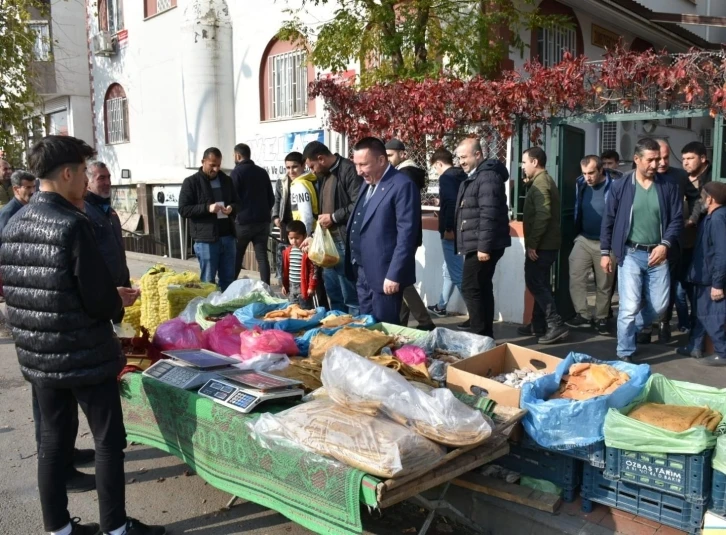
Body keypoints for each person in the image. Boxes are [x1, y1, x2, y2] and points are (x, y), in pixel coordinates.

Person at [0, 135, 163, 535]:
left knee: (52, 442)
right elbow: (97, 302)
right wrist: (115, 300)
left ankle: (58, 529)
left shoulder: (14, 222)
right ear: (69, 173)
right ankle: (115, 528)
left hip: (39, 355)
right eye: (83, 174)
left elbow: (23, 292)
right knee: (109, 441)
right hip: (84, 353)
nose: (86, 184)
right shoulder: (73, 224)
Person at [600, 137, 682, 362]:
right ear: (637, 159)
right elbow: (608, 219)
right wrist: (605, 252)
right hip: (630, 254)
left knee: (660, 305)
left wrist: (665, 245)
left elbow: (676, 219)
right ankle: (625, 351)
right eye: (651, 160)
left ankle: (636, 327)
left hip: (659, 254)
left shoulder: (668, 186)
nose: (656, 165)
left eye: (658, 159)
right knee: (628, 306)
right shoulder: (621, 186)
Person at [345, 137, 420, 324]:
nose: (359, 171)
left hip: (384, 275)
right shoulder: (368, 182)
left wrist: (394, 274)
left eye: (363, 164)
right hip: (362, 270)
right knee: (368, 326)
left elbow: (407, 235)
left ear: (381, 160)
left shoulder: (402, 185)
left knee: (386, 330)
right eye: (356, 164)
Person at [454, 138, 511, 339]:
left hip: (483, 244)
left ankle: (478, 336)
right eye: (459, 157)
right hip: (479, 242)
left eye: (464, 157)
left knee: (471, 288)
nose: (461, 161)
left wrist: (484, 248)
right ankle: (485, 335)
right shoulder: (478, 175)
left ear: (478, 154)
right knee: (481, 287)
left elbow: (489, 214)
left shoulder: (486, 177)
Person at [303, 141, 362, 314]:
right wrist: (314, 235)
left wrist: (334, 217)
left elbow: (358, 204)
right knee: (334, 292)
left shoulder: (348, 170)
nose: (312, 171)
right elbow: (324, 212)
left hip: (344, 241)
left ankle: (355, 332)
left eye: (312, 166)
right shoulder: (324, 175)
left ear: (321, 159)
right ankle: (339, 328)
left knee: (350, 295)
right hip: (328, 242)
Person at [517, 147, 569, 344]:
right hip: (545, 244)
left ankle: (555, 324)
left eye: (524, 162)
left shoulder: (542, 183)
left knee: (535, 283)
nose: (523, 166)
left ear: (535, 162)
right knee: (540, 283)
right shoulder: (538, 182)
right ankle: (538, 324)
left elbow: (544, 214)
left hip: (542, 246)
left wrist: (533, 244)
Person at [384, 139, 434, 331]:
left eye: (391, 155)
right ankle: (402, 323)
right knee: (402, 279)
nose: (388, 160)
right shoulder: (408, 173)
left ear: (403, 154)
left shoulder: (405, 175)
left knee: (401, 281)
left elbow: (404, 213)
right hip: (407, 236)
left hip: (403, 237)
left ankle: (425, 321)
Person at [646, 138, 690, 343]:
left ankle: (663, 324)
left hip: (670, 243)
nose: (662, 163)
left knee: (666, 286)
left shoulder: (679, 176)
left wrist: (691, 218)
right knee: (641, 287)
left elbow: (697, 197)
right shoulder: (641, 176)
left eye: (666, 158)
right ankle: (644, 327)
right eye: (658, 158)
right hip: (643, 242)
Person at [678, 182, 726, 365]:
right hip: (702, 276)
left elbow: (722, 253)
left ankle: (722, 353)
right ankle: (694, 346)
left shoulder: (717, 219)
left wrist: (718, 284)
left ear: (710, 198)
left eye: (702, 196)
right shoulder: (711, 217)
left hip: (710, 279)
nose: (700, 200)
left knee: (711, 315)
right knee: (699, 313)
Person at [567, 155, 616, 334]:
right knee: (576, 274)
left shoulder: (614, 185)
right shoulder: (580, 183)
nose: (587, 177)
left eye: (591, 173)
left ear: (601, 170)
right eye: (584, 173)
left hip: (607, 243)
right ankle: (583, 315)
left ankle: (602, 318)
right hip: (584, 238)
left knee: (604, 283)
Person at [179, 147, 239, 291]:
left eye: (218, 165)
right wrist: (207, 208)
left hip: (228, 237)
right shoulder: (191, 182)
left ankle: (227, 310)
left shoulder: (226, 180)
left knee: (228, 280)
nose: (216, 169)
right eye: (212, 165)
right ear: (203, 162)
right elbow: (183, 209)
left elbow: (238, 202)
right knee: (208, 281)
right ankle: (209, 312)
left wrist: (232, 208)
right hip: (206, 240)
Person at [673, 141, 713, 333]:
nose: (686, 163)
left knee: (696, 290)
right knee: (679, 288)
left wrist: (693, 219)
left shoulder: (712, 181)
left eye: (690, 158)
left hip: (703, 244)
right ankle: (685, 325)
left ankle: (699, 328)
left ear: (703, 159)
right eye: (683, 159)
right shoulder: (682, 179)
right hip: (682, 243)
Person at [427, 147, 467, 318]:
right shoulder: (461, 175)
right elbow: (456, 200)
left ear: (439, 163)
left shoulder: (446, 177)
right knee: (449, 269)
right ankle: (441, 306)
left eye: (435, 168)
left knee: (457, 272)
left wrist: (449, 227)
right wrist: (441, 202)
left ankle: (477, 313)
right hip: (462, 227)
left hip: (452, 230)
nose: (436, 171)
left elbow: (451, 202)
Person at [231, 143, 274, 284]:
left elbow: (232, 198)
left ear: (238, 156)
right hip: (262, 222)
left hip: (243, 222)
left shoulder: (236, 173)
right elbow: (271, 199)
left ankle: (230, 286)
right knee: (262, 257)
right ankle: (266, 288)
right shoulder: (262, 172)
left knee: (237, 255)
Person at [85, 161, 131, 291]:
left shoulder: (111, 212)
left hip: (119, 286)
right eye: (101, 178)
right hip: (102, 290)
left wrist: (126, 281)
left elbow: (118, 250)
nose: (107, 182)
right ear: (88, 183)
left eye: (109, 177)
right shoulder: (84, 212)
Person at [272, 152, 300, 279]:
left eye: (294, 167)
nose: (291, 171)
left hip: (302, 226)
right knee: (287, 256)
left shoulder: (308, 181)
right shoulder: (282, 182)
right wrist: (276, 216)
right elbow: (277, 200)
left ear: (303, 165)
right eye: (288, 168)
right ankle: (287, 283)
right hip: (286, 225)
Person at [281, 220, 317, 310]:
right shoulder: (287, 252)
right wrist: (284, 285)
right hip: (292, 286)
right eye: (291, 238)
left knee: (305, 309)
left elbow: (314, 270)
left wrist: (311, 287)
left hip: (303, 287)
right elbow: (285, 270)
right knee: (292, 308)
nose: (294, 241)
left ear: (304, 236)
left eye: (297, 238)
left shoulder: (307, 251)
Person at [0, 169, 36, 236]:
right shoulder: (8, 213)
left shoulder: (34, 207)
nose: (33, 191)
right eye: (28, 187)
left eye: (34, 187)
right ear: (16, 189)